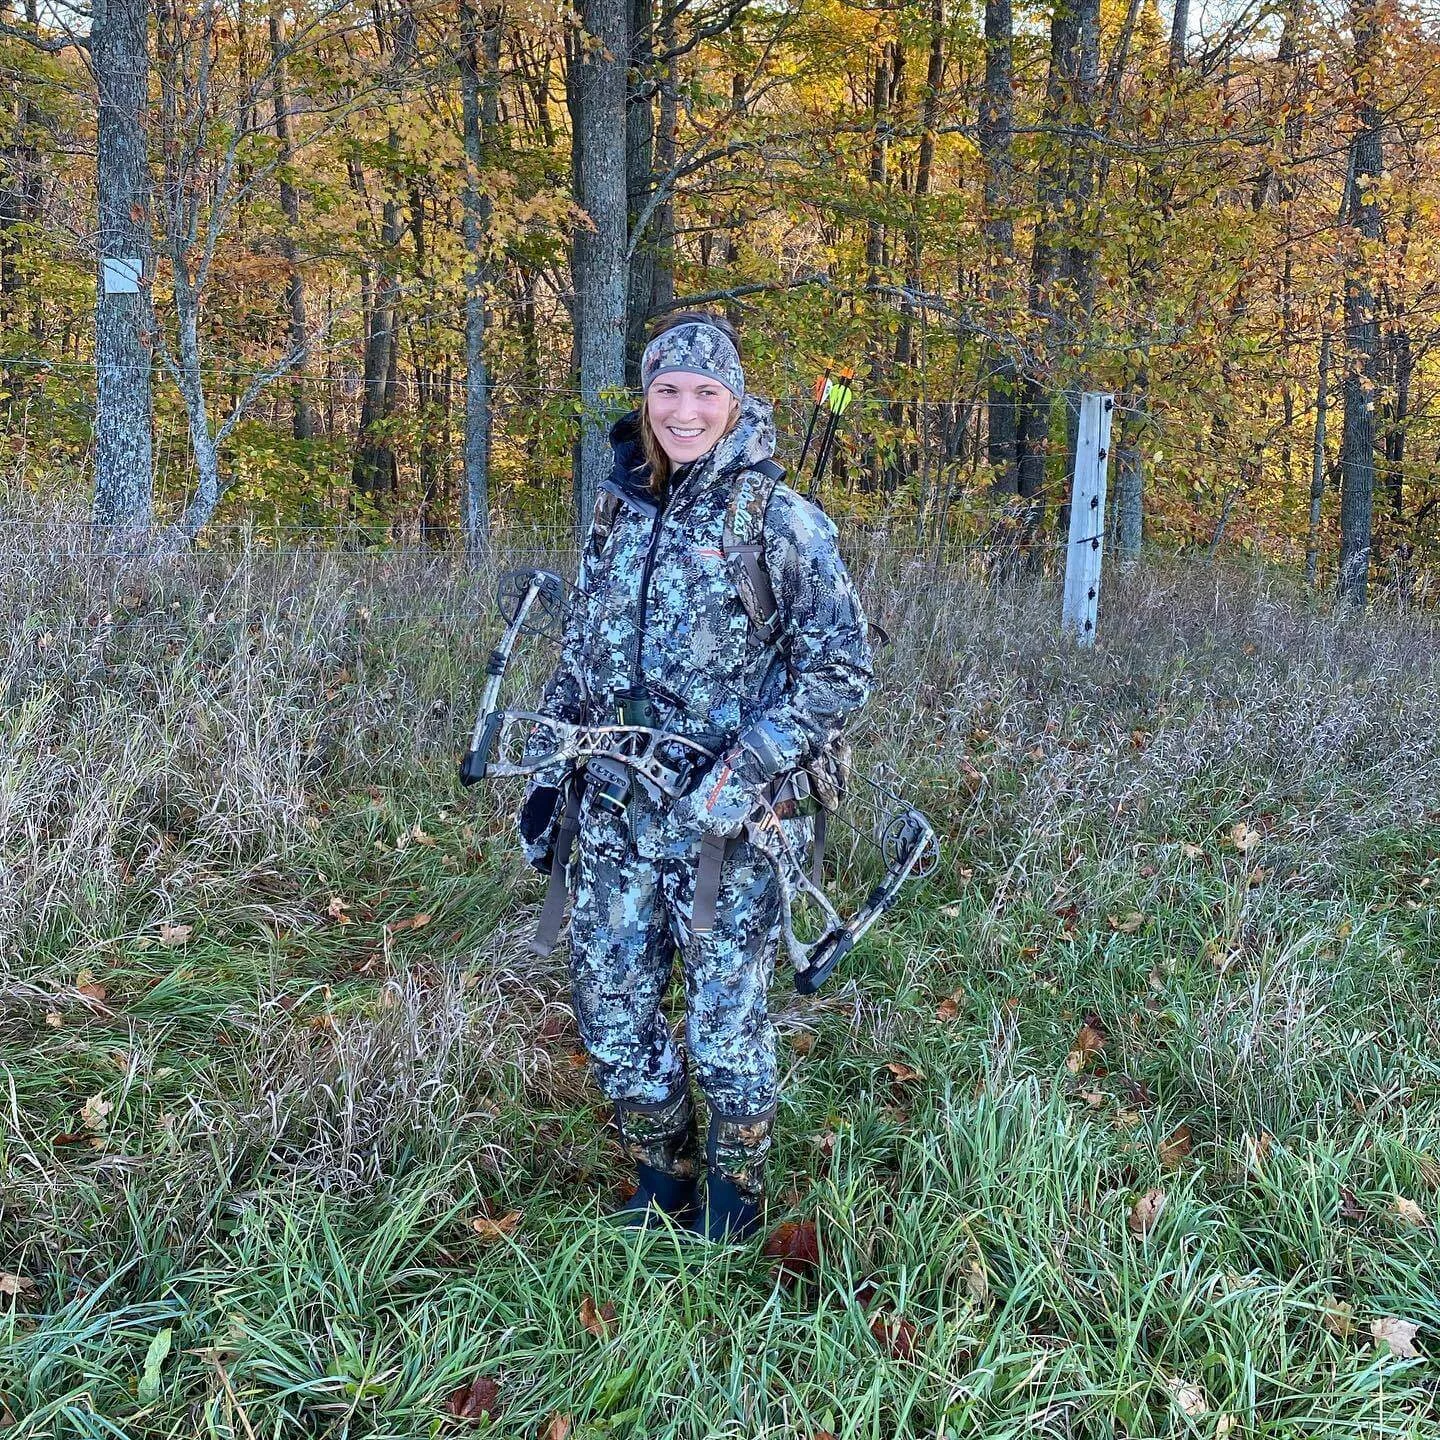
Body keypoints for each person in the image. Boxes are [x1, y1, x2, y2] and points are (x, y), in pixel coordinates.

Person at [519, 312, 872, 1242]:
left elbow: (840, 672)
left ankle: (735, 1190)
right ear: (646, 397)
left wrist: (744, 771)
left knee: (725, 1031)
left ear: (736, 402)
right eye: (668, 390)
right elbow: (581, 652)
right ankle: (660, 1175)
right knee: (613, 1007)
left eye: (705, 393)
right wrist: (553, 774)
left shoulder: (781, 521)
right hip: (610, 818)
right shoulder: (614, 508)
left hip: (727, 828)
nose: (684, 410)